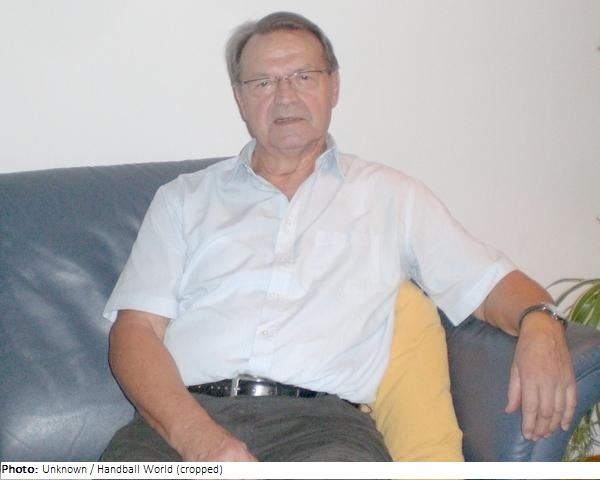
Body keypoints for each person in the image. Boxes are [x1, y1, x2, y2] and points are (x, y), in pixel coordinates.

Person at [101, 11, 576, 462]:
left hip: (322, 431)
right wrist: (197, 438)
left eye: (304, 76)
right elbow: (135, 332)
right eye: (263, 82)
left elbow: (489, 285)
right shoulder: (183, 199)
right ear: (240, 99)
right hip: (179, 426)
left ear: (334, 87)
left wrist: (540, 322)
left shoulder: (392, 197)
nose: (284, 96)